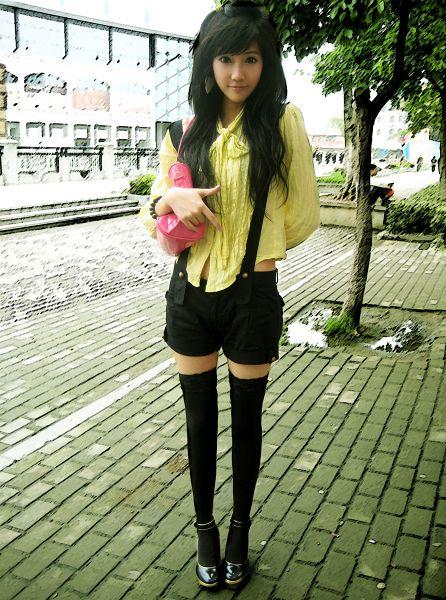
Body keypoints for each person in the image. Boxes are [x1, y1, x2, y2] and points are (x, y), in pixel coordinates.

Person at [140, 0, 320, 591]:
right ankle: (205, 530)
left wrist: (254, 244)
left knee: (247, 421)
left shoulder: (283, 122)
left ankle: (241, 528)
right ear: (208, 63)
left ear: (266, 63)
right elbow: (152, 212)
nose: (238, 73)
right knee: (198, 422)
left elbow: (304, 215)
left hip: (252, 295)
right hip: (189, 294)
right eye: (225, 59)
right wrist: (167, 200)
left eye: (250, 59)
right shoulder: (182, 131)